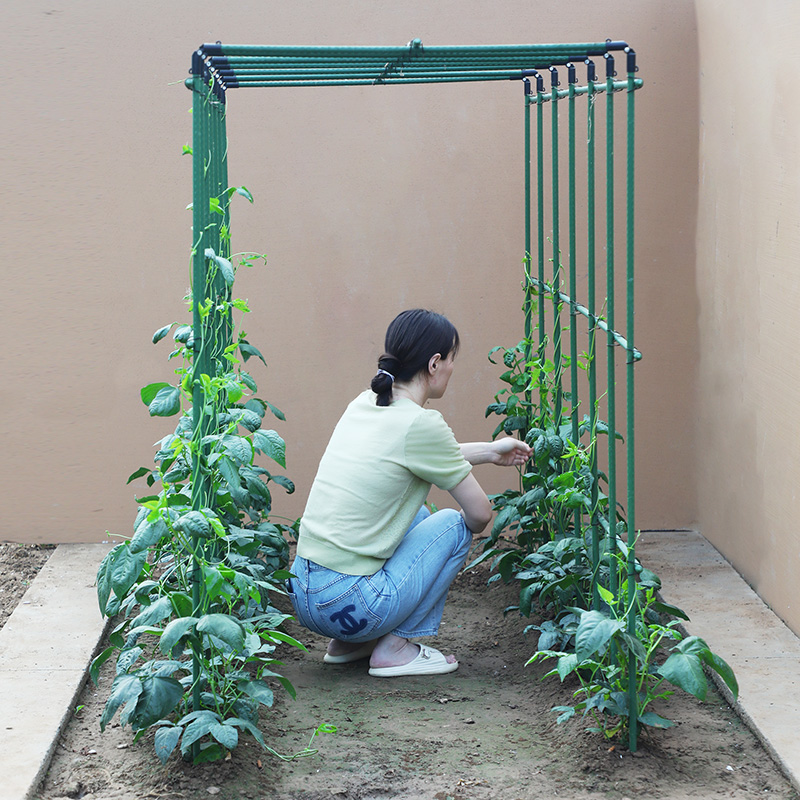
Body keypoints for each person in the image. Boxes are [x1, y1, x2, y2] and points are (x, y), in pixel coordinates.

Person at [287, 309, 531, 677]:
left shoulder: (365, 403)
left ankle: (351, 644)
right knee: (452, 525)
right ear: (434, 363)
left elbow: (408, 456)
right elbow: (481, 514)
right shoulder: (422, 424)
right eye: (451, 359)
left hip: (306, 598)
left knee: (415, 516)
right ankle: (395, 648)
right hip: (350, 604)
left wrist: (490, 451)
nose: (452, 368)